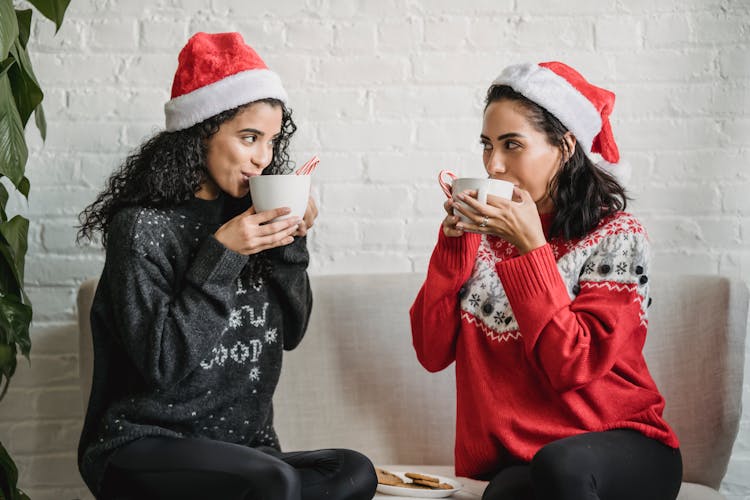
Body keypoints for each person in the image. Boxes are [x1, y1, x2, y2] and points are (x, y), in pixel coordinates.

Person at [76, 32, 377, 500]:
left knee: (353, 471)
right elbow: (164, 363)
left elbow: (292, 333)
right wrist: (223, 255)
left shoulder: (248, 216)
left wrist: (291, 245)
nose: (264, 158)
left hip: (244, 448)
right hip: (142, 445)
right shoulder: (140, 228)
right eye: (249, 138)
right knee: (270, 482)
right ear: (200, 133)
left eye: (272, 141)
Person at [409, 61, 683, 500]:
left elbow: (572, 365)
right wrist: (453, 246)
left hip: (622, 446)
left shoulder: (617, 237)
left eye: (512, 145)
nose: (493, 164)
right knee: (509, 489)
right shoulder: (482, 240)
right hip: (524, 461)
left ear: (565, 146)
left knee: (559, 465)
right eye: (487, 145)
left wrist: (531, 251)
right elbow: (431, 350)